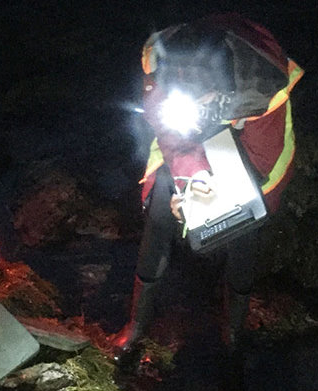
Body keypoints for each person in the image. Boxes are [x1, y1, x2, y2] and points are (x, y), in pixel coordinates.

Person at [114, 13, 303, 370]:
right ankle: (136, 324)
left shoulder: (261, 89)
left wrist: (212, 197)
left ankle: (232, 334)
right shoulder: (161, 71)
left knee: (246, 226)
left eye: (201, 100)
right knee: (159, 213)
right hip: (191, 144)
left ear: (220, 89)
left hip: (256, 158)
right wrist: (190, 184)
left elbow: (260, 162)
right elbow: (169, 135)